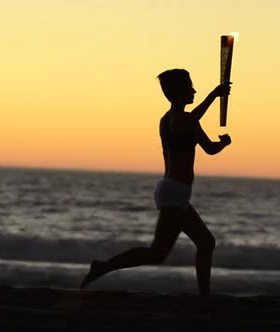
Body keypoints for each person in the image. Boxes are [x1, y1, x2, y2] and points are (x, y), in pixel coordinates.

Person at [80, 69, 232, 304]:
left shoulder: (167, 119)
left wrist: (214, 95)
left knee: (204, 242)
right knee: (158, 252)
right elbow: (209, 147)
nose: (194, 90)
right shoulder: (187, 120)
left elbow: (192, 119)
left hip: (170, 190)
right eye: (190, 87)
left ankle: (204, 297)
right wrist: (224, 143)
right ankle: (102, 267)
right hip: (175, 194)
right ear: (181, 91)